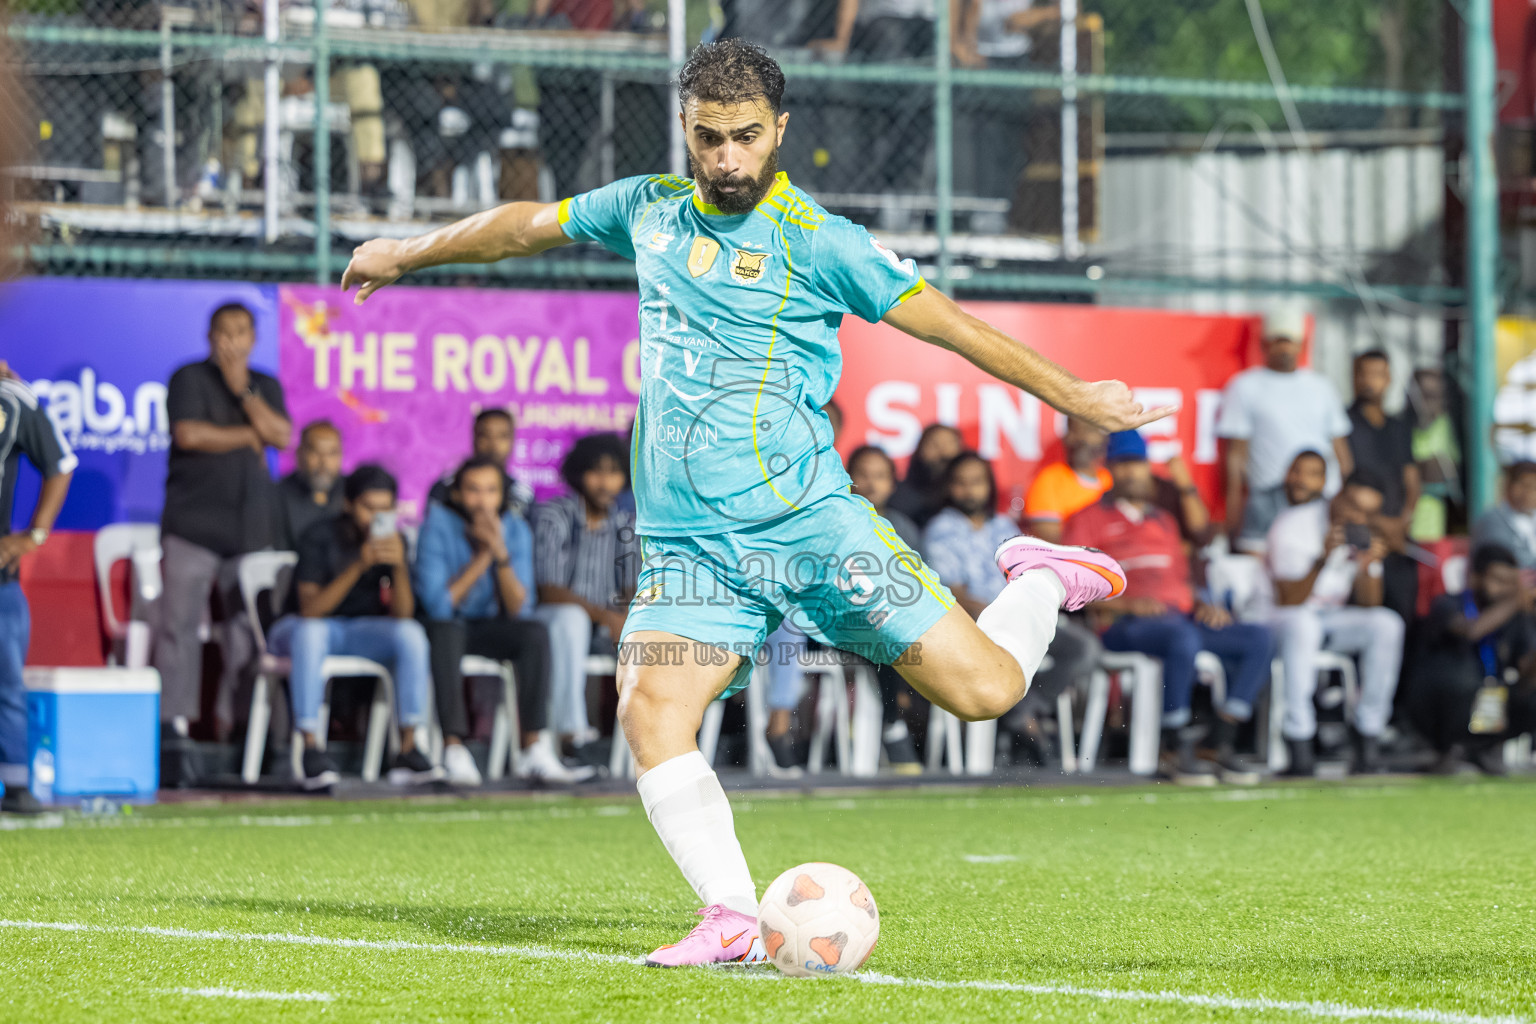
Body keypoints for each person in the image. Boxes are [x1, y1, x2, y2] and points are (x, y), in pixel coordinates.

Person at [341, 37, 1162, 967]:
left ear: (779, 130)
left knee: (986, 692)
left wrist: (1081, 398)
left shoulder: (823, 242)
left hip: (810, 527)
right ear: (685, 131)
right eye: (708, 138)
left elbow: (957, 329)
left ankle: (1044, 579)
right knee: (650, 707)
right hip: (693, 551)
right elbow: (524, 225)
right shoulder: (645, 209)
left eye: (744, 137)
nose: (726, 158)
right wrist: (407, 253)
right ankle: (730, 916)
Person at [1064, 431, 1273, 785]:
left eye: (1139, 463)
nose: (1133, 472)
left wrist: (1204, 604)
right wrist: (1125, 602)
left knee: (1259, 638)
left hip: (1180, 618)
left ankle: (1218, 740)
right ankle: (1173, 745)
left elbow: (1182, 576)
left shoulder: (1163, 519)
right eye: (1124, 464)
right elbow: (1068, 585)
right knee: (1182, 638)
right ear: (1109, 468)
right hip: (1121, 623)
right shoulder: (1087, 519)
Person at [155, 303, 292, 786]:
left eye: (241, 332)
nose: (232, 341)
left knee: (248, 637)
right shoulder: (188, 378)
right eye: (223, 332)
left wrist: (243, 393)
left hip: (251, 531)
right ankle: (174, 735)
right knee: (178, 629)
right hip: (191, 525)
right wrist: (247, 436)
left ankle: (249, 737)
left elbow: (281, 434)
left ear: (254, 338)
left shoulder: (265, 384)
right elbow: (189, 433)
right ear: (209, 335)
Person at [416, 456, 591, 785]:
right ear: (456, 494)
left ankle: (533, 748)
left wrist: (500, 552)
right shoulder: (437, 524)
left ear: (502, 496)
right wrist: (483, 556)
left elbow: (520, 609)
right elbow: (439, 606)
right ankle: (454, 749)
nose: (482, 500)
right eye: (473, 490)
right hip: (446, 626)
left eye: (491, 491)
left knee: (533, 633)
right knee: (446, 631)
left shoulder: (514, 528)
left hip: (489, 625)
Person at [267, 465, 444, 790]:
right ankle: (309, 746)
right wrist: (359, 564)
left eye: (385, 508)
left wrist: (399, 566)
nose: (376, 517)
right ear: (349, 504)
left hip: (358, 633)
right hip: (298, 631)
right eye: (369, 507)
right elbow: (311, 610)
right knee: (311, 632)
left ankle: (408, 747)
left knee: (412, 634)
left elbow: (403, 614)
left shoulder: (396, 542)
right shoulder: (319, 535)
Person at [926, 452, 1101, 767]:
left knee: (1084, 648)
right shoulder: (941, 529)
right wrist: (1005, 613)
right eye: (961, 483)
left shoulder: (1004, 526)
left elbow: (1028, 577)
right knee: (1006, 648)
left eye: (977, 482)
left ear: (989, 486)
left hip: (1021, 617)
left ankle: (1024, 709)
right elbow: (952, 593)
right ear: (949, 487)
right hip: (976, 623)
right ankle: (1023, 721)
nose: (969, 490)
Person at [1266, 465, 1403, 776]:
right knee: (1304, 624)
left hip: (1328, 620)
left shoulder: (1361, 534)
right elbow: (1288, 599)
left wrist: (1369, 567)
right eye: (1354, 507)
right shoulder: (1295, 523)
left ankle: (1368, 734)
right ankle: (1299, 739)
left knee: (1386, 624)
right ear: (1338, 496)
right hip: (1278, 617)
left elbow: (1370, 604)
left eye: (1368, 513)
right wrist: (1323, 557)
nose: (1358, 518)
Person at [531, 433, 639, 757]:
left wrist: (629, 617)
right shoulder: (555, 514)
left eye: (614, 472)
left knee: (651, 631)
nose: (605, 482)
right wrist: (606, 615)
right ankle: (572, 736)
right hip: (550, 621)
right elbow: (548, 589)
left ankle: (651, 744)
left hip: (603, 625)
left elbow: (630, 587)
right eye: (596, 471)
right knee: (572, 619)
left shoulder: (626, 523)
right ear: (578, 473)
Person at [0, 373, 75, 814]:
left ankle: (16, 782)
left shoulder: (12, 399)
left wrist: (34, 535)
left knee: (7, 683)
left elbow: (61, 462)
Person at [1217, 308, 1353, 550]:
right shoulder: (1244, 386)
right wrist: (1232, 516)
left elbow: (1342, 454)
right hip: (1268, 501)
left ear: (1301, 345)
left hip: (1320, 499)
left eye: (1290, 342)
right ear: (1264, 344)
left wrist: (1344, 503)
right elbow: (1235, 459)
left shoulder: (1321, 386)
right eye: (1278, 341)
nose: (1285, 348)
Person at [1405, 544, 1536, 776]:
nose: (1506, 589)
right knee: (1462, 678)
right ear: (1475, 578)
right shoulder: (1446, 603)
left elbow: (1525, 670)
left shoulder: (1513, 617)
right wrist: (1515, 601)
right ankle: (1444, 751)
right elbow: (1472, 631)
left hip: (1485, 702)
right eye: (1498, 580)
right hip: (1434, 705)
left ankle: (1480, 749)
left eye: (1511, 582)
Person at [1346, 350, 1420, 623]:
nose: (1369, 381)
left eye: (1377, 374)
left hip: (1398, 541)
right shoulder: (1344, 424)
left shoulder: (1399, 427)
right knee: (1364, 616)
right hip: (1360, 536)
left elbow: (1412, 482)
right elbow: (1345, 487)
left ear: (1388, 379)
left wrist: (1402, 523)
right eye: (1363, 373)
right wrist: (1379, 524)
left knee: (1403, 616)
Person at [427, 408, 535, 520]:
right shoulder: (445, 488)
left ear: (512, 441)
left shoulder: (522, 494)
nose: (494, 444)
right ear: (474, 438)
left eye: (502, 436)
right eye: (485, 435)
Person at [1023, 416, 1110, 542]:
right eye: (1072, 431)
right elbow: (1050, 538)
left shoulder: (1111, 479)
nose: (1078, 438)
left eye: (1089, 430)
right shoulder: (1049, 480)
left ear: (1103, 438)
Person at [1408, 368, 1460, 544]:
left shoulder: (1444, 426)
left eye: (1437, 396)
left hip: (1434, 528)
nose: (1432, 402)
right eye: (1426, 395)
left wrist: (1412, 469)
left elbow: (1445, 472)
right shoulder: (1402, 426)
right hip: (1402, 525)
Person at [277, 421, 345, 551]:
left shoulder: (352, 492)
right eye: (315, 452)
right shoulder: (276, 495)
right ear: (299, 454)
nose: (324, 462)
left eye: (332, 453)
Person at [888, 423, 963, 529]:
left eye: (949, 444)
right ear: (920, 450)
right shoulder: (900, 496)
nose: (942, 452)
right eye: (934, 445)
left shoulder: (967, 497)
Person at [1471, 462, 1536, 571]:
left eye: (1534, 487)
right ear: (1509, 485)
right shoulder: (1492, 520)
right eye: (1524, 485)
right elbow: (1500, 564)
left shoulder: (1532, 519)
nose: (1529, 493)